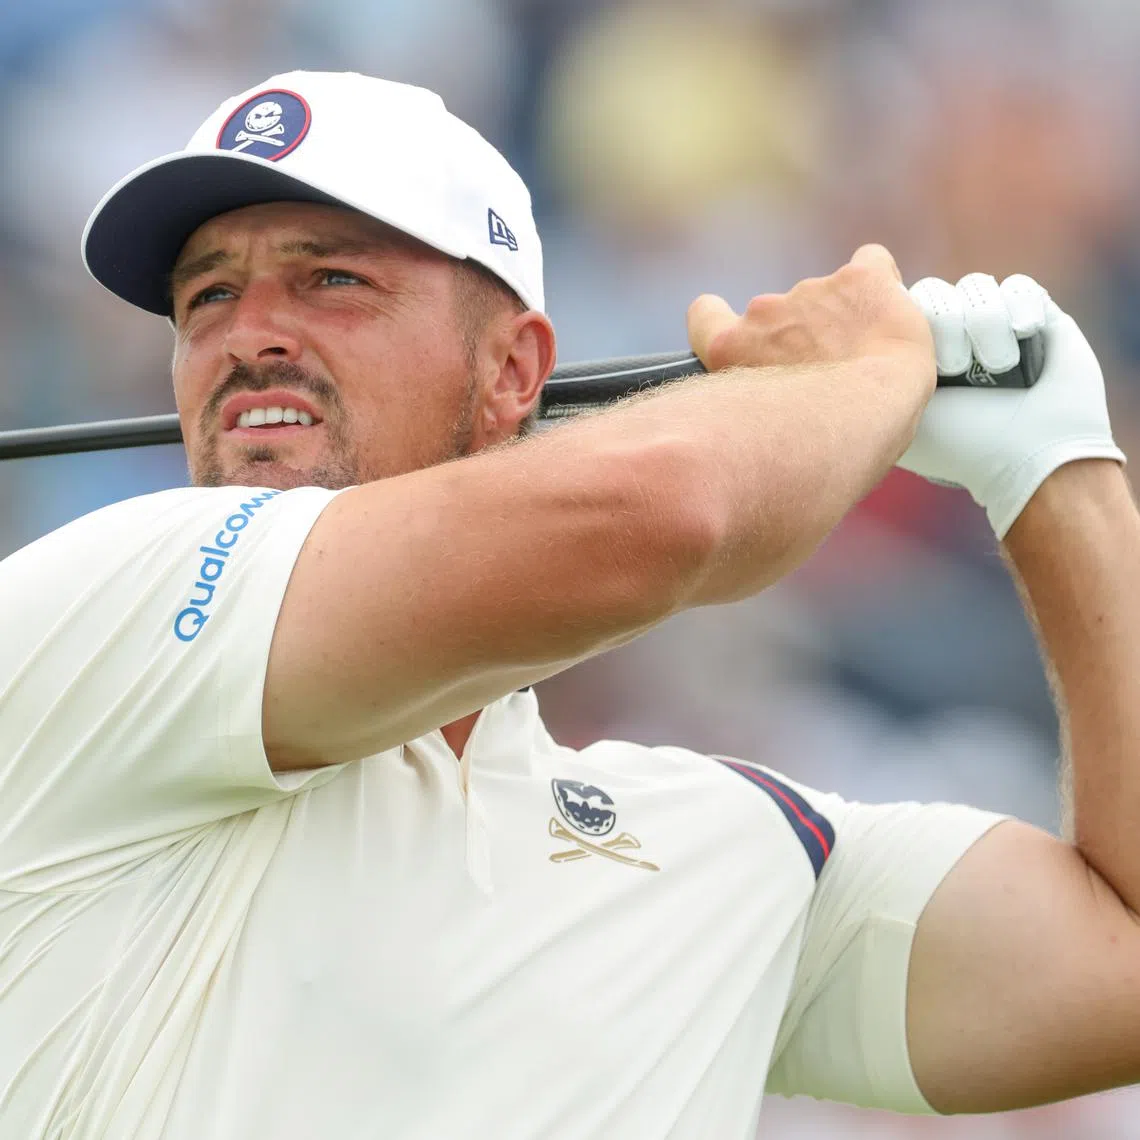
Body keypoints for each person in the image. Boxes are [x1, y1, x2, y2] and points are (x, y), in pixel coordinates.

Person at [0, 70, 1136, 1140]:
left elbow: (1121, 967)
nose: (246, 334)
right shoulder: (107, 604)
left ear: (511, 373)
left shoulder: (730, 851)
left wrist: (1057, 470)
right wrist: (865, 376)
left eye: (331, 279)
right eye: (207, 297)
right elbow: (668, 515)